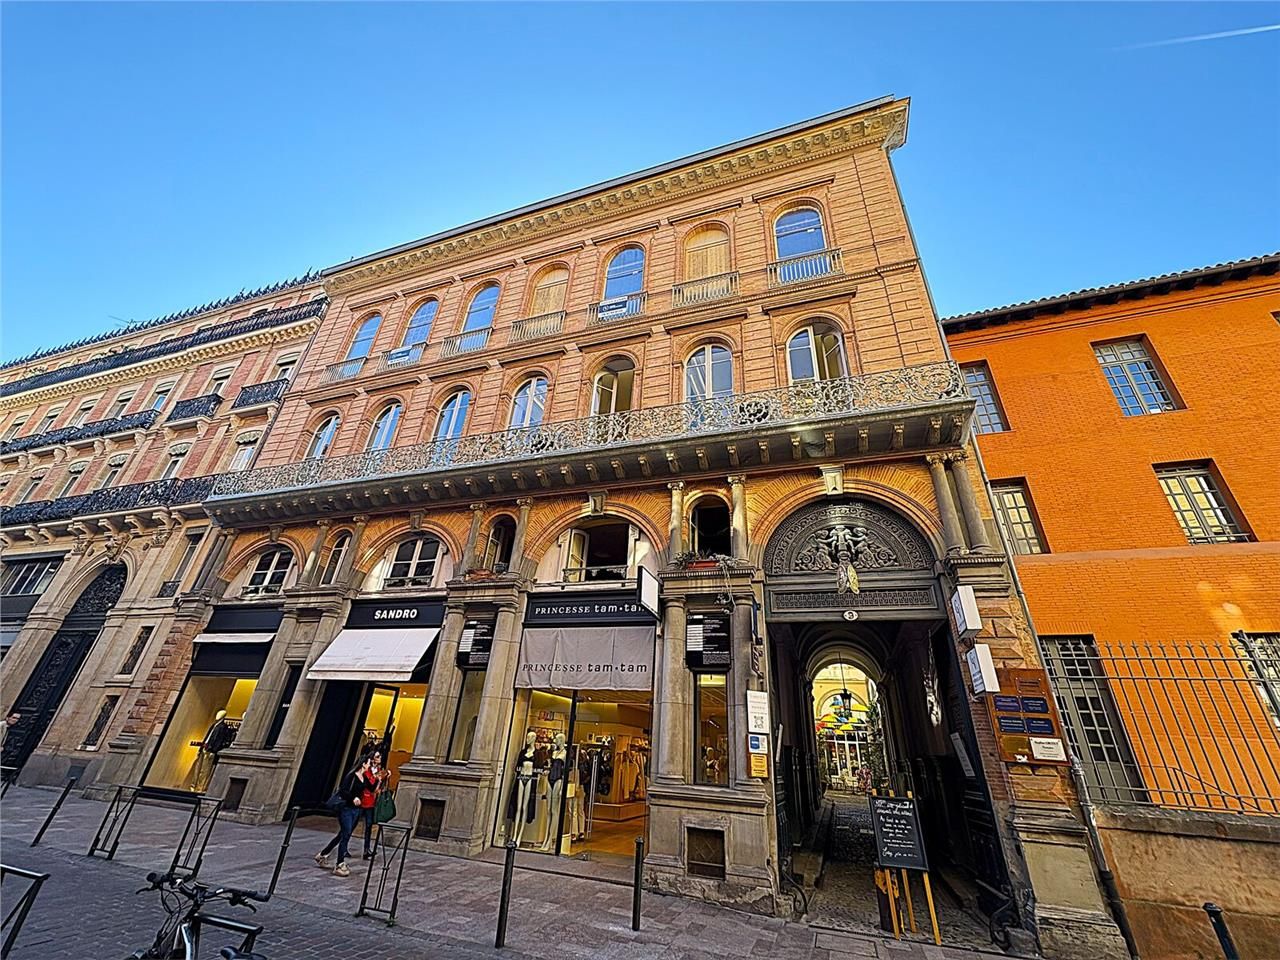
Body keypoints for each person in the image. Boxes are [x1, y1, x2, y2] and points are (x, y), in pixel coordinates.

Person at [315, 753, 376, 877]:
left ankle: (322, 855)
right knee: (346, 834)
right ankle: (340, 864)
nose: (370, 765)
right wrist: (353, 798)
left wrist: (378, 778)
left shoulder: (364, 777)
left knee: (342, 835)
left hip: (356, 810)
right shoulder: (352, 776)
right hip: (346, 809)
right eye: (369, 763)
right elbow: (343, 791)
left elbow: (371, 788)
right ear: (363, 764)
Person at [357, 749, 388, 859]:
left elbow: (377, 785)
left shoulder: (378, 769)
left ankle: (366, 849)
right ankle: (344, 847)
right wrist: (377, 779)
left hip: (371, 801)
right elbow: (370, 784)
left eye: (380, 756)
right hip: (363, 799)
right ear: (372, 758)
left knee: (369, 825)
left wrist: (383, 778)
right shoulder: (367, 769)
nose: (380, 758)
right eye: (378, 756)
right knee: (352, 824)